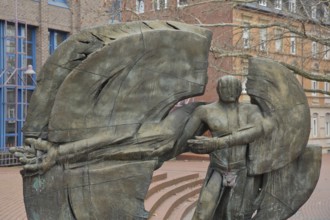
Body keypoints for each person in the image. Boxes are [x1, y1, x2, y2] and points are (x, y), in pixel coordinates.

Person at [186, 75, 272, 220]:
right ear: (218, 89)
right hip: (217, 169)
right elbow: (187, 139)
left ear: (239, 89)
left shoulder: (251, 110)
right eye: (225, 87)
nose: (230, 91)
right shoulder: (205, 111)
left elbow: (256, 131)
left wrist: (217, 143)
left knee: (234, 215)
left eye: (234, 87)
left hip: (241, 170)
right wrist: (201, 147)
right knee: (203, 212)